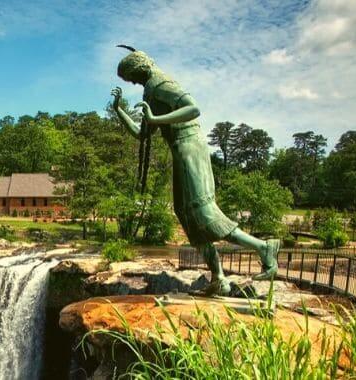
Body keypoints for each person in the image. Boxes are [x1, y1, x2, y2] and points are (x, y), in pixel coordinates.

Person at [111, 46, 279, 295]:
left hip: (190, 146)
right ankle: (219, 278)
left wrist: (157, 119)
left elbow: (193, 108)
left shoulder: (159, 83)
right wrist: (119, 110)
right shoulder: (150, 90)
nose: (134, 82)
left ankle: (263, 247)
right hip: (179, 150)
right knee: (186, 214)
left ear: (140, 67)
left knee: (203, 210)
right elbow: (142, 133)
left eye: (132, 77)